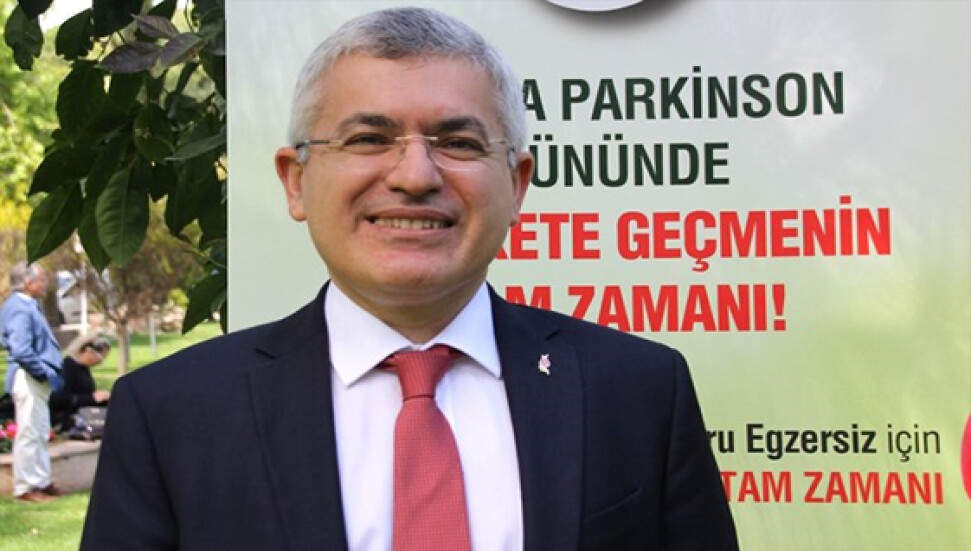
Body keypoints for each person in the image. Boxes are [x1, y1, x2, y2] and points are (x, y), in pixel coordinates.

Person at [82, 7, 737, 550]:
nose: (416, 176)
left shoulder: (640, 391)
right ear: (295, 180)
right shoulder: (171, 415)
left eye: (458, 142)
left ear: (516, 185)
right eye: (369, 138)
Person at [0, 261, 63, 503]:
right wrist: (43, 371)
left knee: (39, 430)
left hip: (34, 377)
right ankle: (26, 487)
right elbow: (21, 349)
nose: (44, 284)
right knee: (28, 432)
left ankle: (41, 481)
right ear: (28, 283)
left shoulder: (28, 304)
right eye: (41, 279)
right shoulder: (19, 307)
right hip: (28, 376)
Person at [49, 335, 110, 432]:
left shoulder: (83, 368)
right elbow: (59, 399)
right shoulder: (67, 367)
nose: (100, 362)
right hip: (66, 419)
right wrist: (92, 398)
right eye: (101, 357)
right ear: (88, 351)